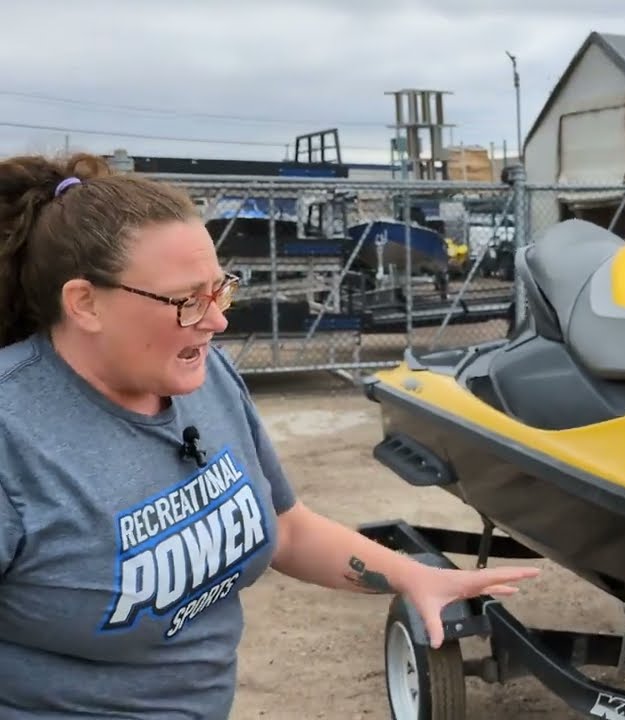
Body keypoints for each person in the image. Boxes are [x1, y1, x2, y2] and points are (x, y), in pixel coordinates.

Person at [0, 152, 540, 718]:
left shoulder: (205, 376)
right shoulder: (15, 436)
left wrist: (413, 577)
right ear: (85, 303)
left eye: (220, 290)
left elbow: (284, 527)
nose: (217, 321)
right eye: (187, 301)